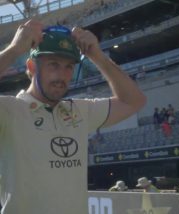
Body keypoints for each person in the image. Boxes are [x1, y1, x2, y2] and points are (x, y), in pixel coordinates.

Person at [0, 20, 146, 213]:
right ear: (32, 66)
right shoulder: (9, 110)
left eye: (69, 66)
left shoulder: (79, 110)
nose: (62, 75)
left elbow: (133, 101)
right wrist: (14, 50)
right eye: (54, 64)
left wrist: (98, 56)